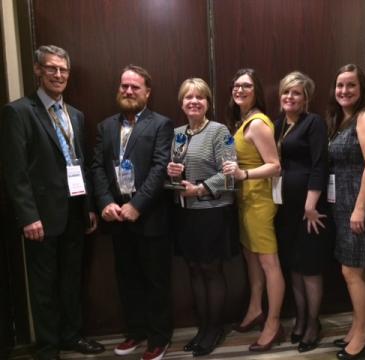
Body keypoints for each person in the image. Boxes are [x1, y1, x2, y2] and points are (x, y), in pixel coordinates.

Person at [0, 45, 104, 360]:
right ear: (37, 70)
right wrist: (28, 216)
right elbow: (15, 171)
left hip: (74, 212)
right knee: (43, 285)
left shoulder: (75, 114)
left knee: (71, 280)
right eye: (51, 68)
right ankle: (47, 348)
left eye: (63, 70)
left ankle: (71, 336)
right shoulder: (18, 112)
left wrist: (87, 208)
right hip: (41, 218)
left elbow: (79, 163)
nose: (58, 75)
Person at [91, 65, 174, 360]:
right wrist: (104, 203)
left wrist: (137, 205)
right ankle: (136, 332)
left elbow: (160, 168)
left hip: (149, 217)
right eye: (124, 86)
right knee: (127, 280)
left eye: (134, 87)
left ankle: (158, 338)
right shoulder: (105, 126)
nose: (127, 91)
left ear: (147, 93)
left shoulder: (161, 124)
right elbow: (98, 168)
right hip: (116, 218)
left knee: (156, 281)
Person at [166, 78, 237, 356]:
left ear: (208, 102)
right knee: (193, 268)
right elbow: (177, 171)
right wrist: (173, 174)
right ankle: (202, 326)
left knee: (211, 270)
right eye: (188, 97)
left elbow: (230, 174)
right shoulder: (177, 133)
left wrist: (201, 188)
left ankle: (214, 328)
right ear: (181, 103)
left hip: (212, 213)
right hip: (185, 213)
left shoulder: (221, 132)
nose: (193, 101)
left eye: (200, 97)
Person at [327, 64, 365, 360]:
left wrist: (360, 207)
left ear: (362, 88)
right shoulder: (344, 120)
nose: (344, 90)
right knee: (352, 271)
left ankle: (362, 335)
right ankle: (357, 326)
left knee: (353, 271)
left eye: (351, 85)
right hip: (345, 207)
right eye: (339, 85)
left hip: (361, 207)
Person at [223, 68, 284, 352]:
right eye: (236, 86)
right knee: (251, 258)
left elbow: (275, 165)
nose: (240, 90)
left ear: (256, 90)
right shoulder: (243, 120)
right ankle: (255, 309)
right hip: (245, 201)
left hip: (259, 202)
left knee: (269, 264)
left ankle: (273, 323)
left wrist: (244, 176)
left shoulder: (258, 123)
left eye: (246, 86)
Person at [273, 71, 332, 353]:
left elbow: (320, 164)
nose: (289, 97)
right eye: (286, 91)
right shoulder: (277, 124)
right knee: (294, 266)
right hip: (285, 211)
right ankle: (299, 317)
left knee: (310, 267)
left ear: (306, 98)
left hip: (310, 209)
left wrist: (310, 204)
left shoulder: (314, 123)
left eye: (296, 93)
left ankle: (312, 322)